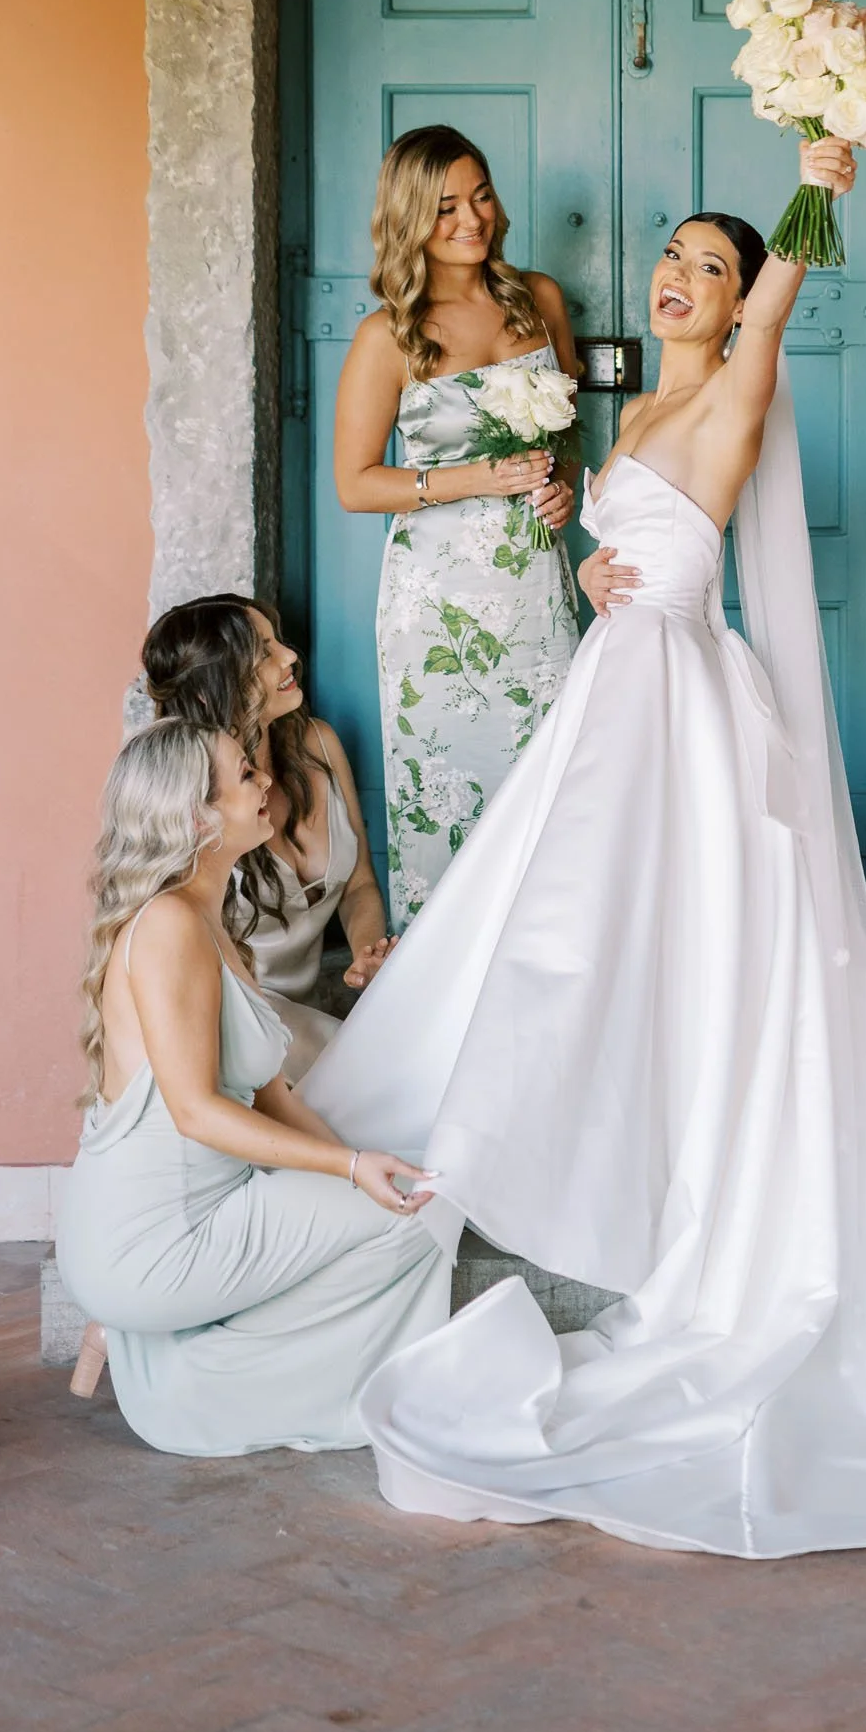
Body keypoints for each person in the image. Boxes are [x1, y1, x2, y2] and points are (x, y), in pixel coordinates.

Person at [301, 137, 866, 1558]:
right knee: (558, 933)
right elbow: (623, 541)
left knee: (666, 947)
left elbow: (785, 291)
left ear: (740, 307)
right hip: (616, 686)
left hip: (682, 703)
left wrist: (814, 176)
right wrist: (588, 553)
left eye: (711, 270)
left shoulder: (739, 382)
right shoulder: (634, 417)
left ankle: (671, 1190)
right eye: (673, 261)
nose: (680, 280)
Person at [55, 719, 448, 1454]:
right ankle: (177, 1376)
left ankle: (154, 1336)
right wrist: (350, 1170)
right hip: (152, 1238)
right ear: (198, 817)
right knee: (418, 1222)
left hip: (204, 1212)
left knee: (414, 1200)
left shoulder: (212, 921)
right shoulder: (168, 924)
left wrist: (361, 1169)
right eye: (245, 774)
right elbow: (197, 1113)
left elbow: (274, 1096)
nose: (267, 781)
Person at [334, 125, 581, 931]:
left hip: (536, 591)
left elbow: (564, 435)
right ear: (410, 218)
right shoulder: (389, 336)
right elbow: (354, 483)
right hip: (435, 606)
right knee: (445, 793)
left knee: (552, 786)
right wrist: (475, 481)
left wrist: (563, 491)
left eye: (480, 195)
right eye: (444, 207)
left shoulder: (537, 300)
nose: (471, 218)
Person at [142, 595, 392, 1078]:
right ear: (208, 691)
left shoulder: (319, 743)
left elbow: (359, 883)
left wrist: (368, 959)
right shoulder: (188, 804)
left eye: (277, 640)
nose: (289, 656)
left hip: (313, 1014)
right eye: (263, 652)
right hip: (238, 1023)